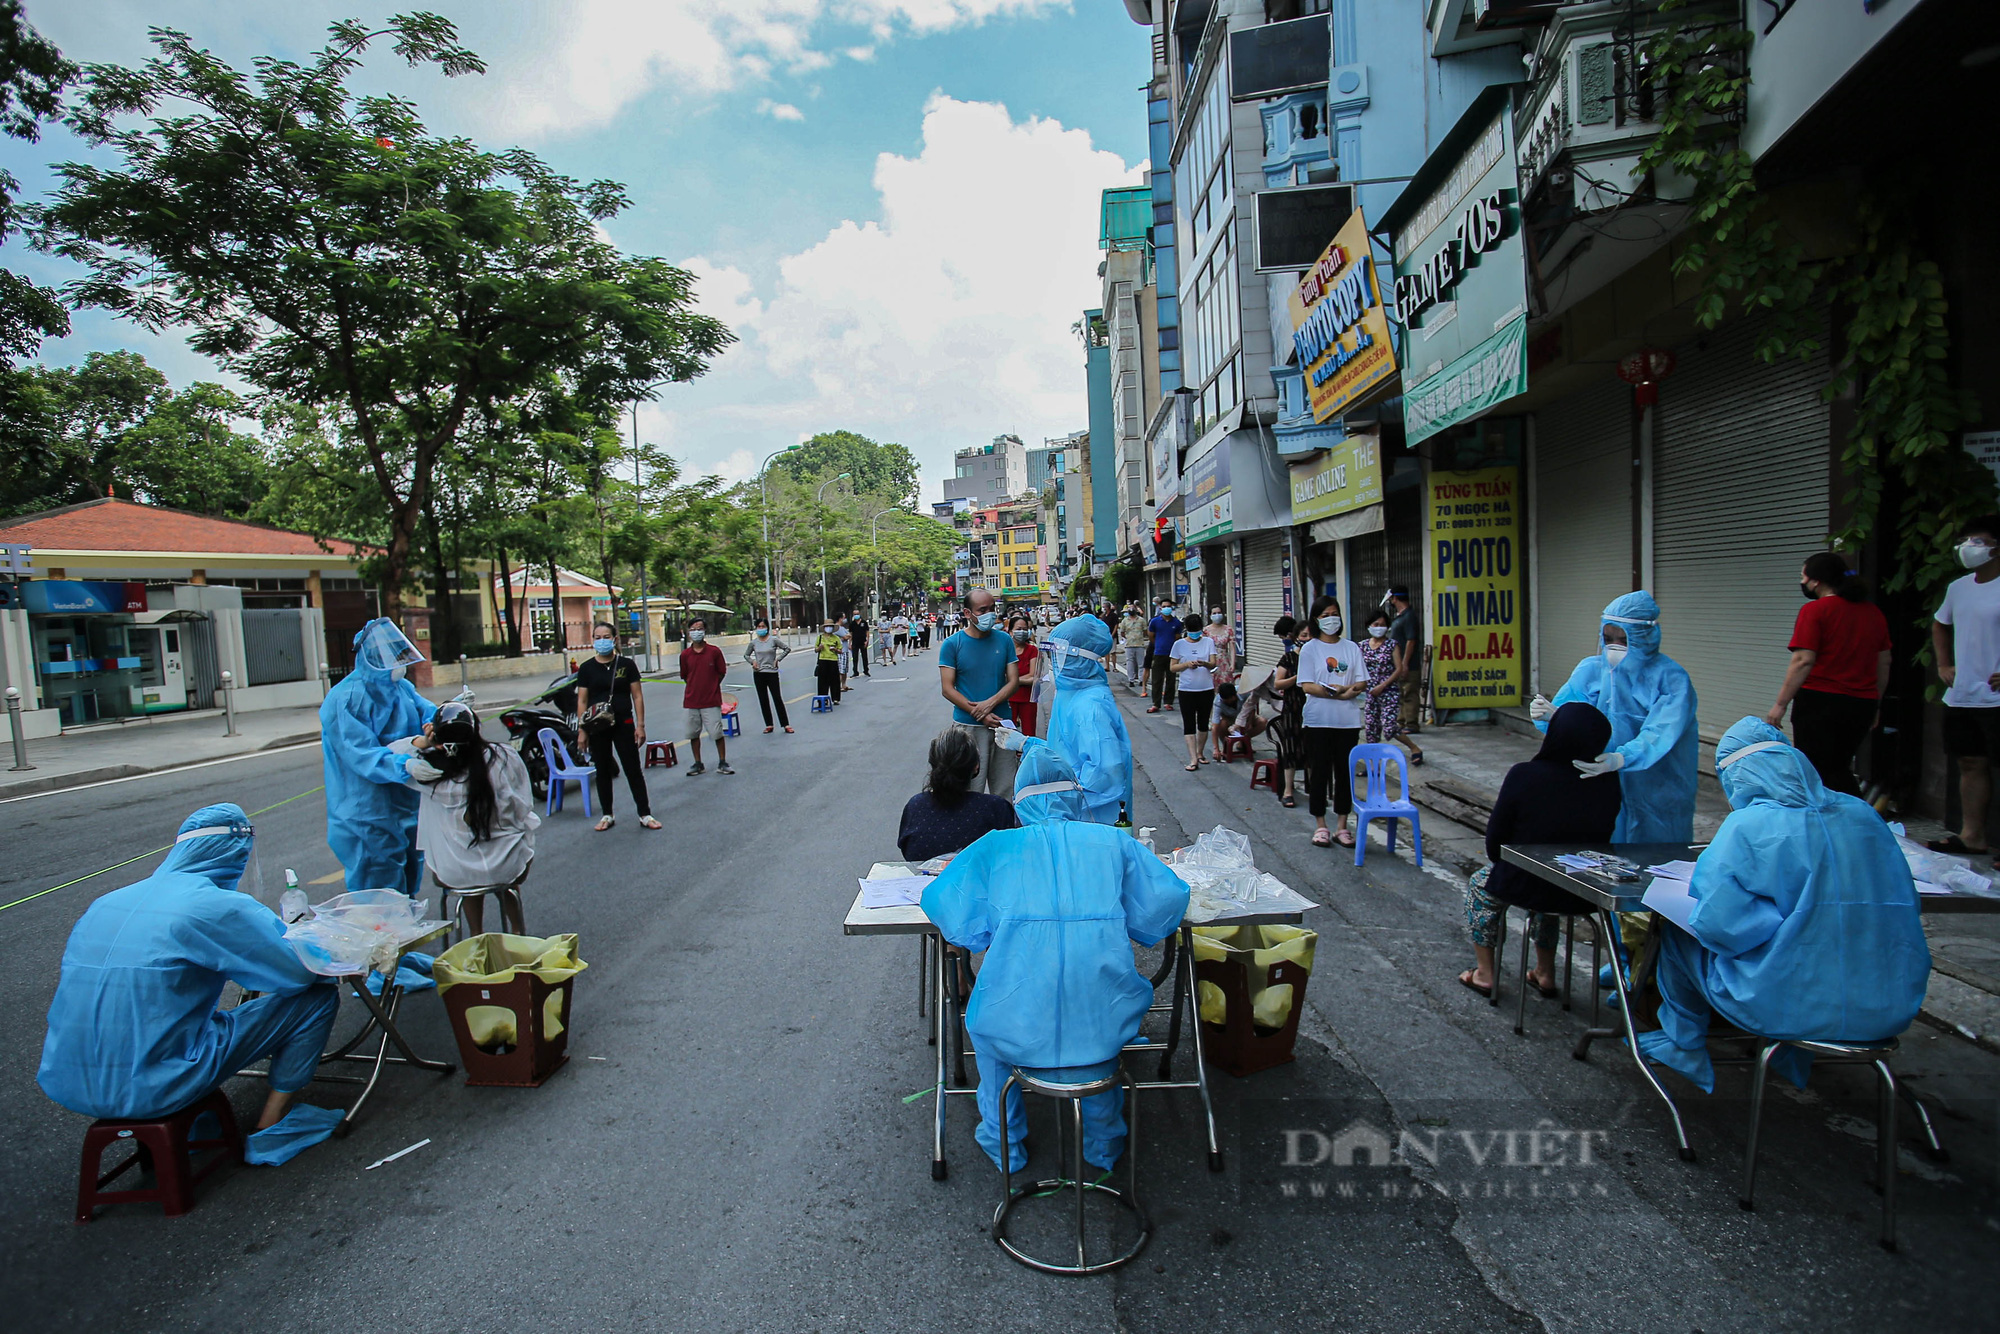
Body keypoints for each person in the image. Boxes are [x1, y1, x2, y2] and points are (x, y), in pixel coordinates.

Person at [921, 739, 1188, 1172]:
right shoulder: (1113, 844)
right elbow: (1162, 911)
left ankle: (1004, 1143)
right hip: (1104, 1023)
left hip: (1015, 1023)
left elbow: (949, 911)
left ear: (1020, 799)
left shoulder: (993, 848)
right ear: (1075, 794)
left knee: (989, 1036)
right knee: (1100, 1041)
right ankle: (1103, 1147)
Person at [1639, 718, 1931, 1093]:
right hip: (1891, 1005)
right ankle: (1793, 1058)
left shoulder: (1747, 825)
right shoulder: (1863, 815)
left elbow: (1719, 926)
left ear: (1738, 776)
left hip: (1785, 1005)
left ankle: (1684, 1044)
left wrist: (1768, 917)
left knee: (1677, 934)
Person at [38, 804, 342, 1138]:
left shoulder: (105, 902)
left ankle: (197, 1128)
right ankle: (273, 1123)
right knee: (317, 997)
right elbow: (296, 975)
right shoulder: (217, 906)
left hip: (67, 1079)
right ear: (238, 855)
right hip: (155, 1082)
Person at [1456, 703, 1620, 997]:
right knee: (1550, 897)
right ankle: (1545, 971)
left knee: (1481, 887)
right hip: (1581, 889)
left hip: (1525, 881)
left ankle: (1484, 973)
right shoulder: (1607, 780)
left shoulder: (1525, 775)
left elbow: (1495, 843)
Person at [1530, 591, 1699, 844]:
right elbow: (1574, 715)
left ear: (1645, 636)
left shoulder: (1671, 679)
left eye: (1624, 639)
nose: (1614, 647)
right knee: (1602, 862)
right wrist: (1553, 716)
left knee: (1658, 860)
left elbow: (1661, 732)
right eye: (1608, 638)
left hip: (1657, 788)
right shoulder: (1591, 669)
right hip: (1598, 782)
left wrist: (1621, 758)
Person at [398, 701, 538, 935]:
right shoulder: (503, 757)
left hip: (455, 871)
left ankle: (477, 935)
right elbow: (524, 806)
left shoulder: (430, 774)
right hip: (508, 865)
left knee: (467, 873)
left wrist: (424, 743)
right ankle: (517, 929)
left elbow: (390, 751)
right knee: (509, 860)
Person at [319, 617, 435, 894]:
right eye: (389, 655)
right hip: (366, 812)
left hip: (405, 803)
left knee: (408, 882)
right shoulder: (345, 699)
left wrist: (445, 716)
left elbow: (426, 712)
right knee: (378, 897)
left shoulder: (401, 689)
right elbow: (361, 754)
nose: (397, 662)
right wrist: (404, 764)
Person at [1766, 551, 1890, 798]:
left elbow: (1803, 660)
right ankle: (1851, 820)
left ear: (1816, 580)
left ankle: (1842, 823)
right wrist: (1876, 704)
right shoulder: (1872, 613)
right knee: (1839, 766)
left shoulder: (1815, 611)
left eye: (1803, 577)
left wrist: (1780, 704)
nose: (1802, 583)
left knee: (1816, 771)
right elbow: (1884, 662)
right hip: (1860, 704)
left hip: (1820, 702)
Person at [1928, 517, 2000, 859]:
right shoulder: (1958, 588)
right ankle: (1972, 835)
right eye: (1966, 540)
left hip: (1996, 696)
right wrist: (1944, 665)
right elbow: (1940, 625)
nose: (1968, 547)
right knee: (1970, 763)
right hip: (1963, 695)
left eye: (1979, 541)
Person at [1038, 612, 1133, 824]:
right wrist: (1029, 744)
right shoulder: (1070, 694)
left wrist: (1062, 798)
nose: (1052, 663)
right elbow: (1063, 746)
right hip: (1075, 816)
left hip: (1092, 819)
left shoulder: (1090, 707)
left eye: (1058, 655)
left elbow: (1106, 773)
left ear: (1078, 657)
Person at [1297, 595, 1367, 848]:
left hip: (1347, 722)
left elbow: (1361, 681)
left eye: (1334, 614)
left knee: (1344, 775)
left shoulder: (1351, 647)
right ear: (1316, 620)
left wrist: (1348, 691)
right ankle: (1321, 825)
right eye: (1325, 615)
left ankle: (1341, 825)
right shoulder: (1310, 649)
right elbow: (1307, 685)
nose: (1330, 619)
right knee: (1319, 773)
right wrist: (1335, 692)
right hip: (1317, 721)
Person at [575, 623, 659, 830]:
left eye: (606, 636)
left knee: (632, 768)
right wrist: (582, 730)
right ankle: (607, 814)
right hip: (597, 726)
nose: (601, 640)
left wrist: (640, 725)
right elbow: (582, 702)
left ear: (614, 639)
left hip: (623, 722)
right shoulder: (586, 668)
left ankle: (645, 813)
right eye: (597, 637)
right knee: (602, 769)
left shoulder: (626, 665)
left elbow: (637, 696)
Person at [937, 588, 1021, 796]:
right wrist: (981, 714)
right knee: (970, 790)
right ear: (967, 613)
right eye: (982, 610)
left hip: (1002, 725)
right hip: (968, 728)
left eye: (992, 608)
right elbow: (947, 689)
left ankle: (1003, 827)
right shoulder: (952, 645)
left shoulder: (1004, 640)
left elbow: (1014, 681)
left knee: (1006, 789)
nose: (990, 614)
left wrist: (989, 704)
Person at [897, 727, 1019, 861]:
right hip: (979, 881)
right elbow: (1010, 854)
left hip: (924, 880)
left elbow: (906, 848)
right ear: (975, 766)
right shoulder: (996, 808)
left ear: (934, 764)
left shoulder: (916, 806)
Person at [1359, 605, 1418, 763]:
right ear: (1369, 625)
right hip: (1371, 693)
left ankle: (1414, 748)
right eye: (1376, 625)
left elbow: (1398, 669)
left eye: (1382, 625)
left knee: (1389, 725)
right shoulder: (1362, 646)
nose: (1379, 628)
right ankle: (1373, 764)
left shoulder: (1392, 645)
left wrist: (1383, 686)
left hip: (1388, 691)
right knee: (1371, 729)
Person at [679, 617, 731, 777]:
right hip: (692, 701)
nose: (696, 632)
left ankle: (722, 761)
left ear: (705, 631)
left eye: (699, 629)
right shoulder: (685, 655)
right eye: (693, 629)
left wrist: (712, 686)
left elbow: (721, 672)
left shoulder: (714, 652)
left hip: (711, 701)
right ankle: (698, 762)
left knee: (716, 733)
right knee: (693, 734)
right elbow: (685, 676)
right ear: (688, 633)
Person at [1170, 612, 1219, 770]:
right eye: (1192, 630)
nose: (1195, 633)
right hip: (1186, 689)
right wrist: (1186, 664)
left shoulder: (1208, 642)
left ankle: (1200, 752)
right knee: (1189, 723)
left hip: (1206, 688)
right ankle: (1193, 759)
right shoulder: (1179, 644)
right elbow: (1173, 667)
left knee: (1203, 723)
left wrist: (1204, 663)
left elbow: (1213, 664)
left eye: (1197, 629)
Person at [1384, 586, 1424, 747]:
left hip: (1409, 664)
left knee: (1409, 692)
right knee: (1400, 693)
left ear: (1395, 598)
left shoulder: (1409, 617)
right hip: (1398, 663)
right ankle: (1401, 722)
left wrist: (1405, 663)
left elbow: (1411, 641)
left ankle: (1411, 723)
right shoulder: (1400, 617)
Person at [744, 617, 794, 734]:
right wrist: (753, 662)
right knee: (763, 699)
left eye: (763, 626)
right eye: (759, 627)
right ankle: (769, 724)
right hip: (759, 673)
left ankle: (785, 724)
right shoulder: (754, 643)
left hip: (772, 673)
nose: (761, 629)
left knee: (777, 698)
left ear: (767, 628)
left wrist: (778, 659)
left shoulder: (773, 640)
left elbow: (787, 649)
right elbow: (746, 655)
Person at [1005, 613, 1040, 738]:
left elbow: (1033, 677)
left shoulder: (1032, 650)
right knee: (1008, 734)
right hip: (1007, 698)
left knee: (1029, 734)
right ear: (1010, 632)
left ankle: (1029, 756)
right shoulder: (1005, 650)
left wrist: (1011, 680)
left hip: (1028, 698)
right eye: (1018, 629)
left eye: (1025, 629)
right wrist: (1022, 680)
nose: (1022, 632)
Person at [1146, 600, 1182, 713]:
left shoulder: (1176, 623)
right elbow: (1151, 636)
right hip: (1158, 653)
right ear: (1160, 608)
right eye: (1164, 606)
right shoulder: (1155, 621)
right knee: (1157, 679)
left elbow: (1177, 637)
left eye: (1168, 606)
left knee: (1171, 679)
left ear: (1172, 608)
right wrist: (1157, 645)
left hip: (1172, 654)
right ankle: (1156, 703)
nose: (1166, 608)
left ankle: (1168, 702)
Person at [1206, 605, 1238, 693]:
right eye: (1214, 613)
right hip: (1211, 661)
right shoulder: (1206, 630)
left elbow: (1232, 648)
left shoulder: (1228, 629)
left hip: (1224, 661)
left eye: (1219, 613)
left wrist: (1232, 663)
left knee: (1226, 687)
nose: (1217, 615)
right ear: (1210, 615)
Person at [1118, 604, 1149, 692]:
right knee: (1130, 662)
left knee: (1141, 663)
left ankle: (1141, 679)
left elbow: (1145, 631)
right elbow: (1122, 632)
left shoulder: (1141, 620)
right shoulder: (1124, 621)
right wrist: (1128, 637)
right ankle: (1131, 679)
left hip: (1139, 644)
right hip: (1129, 644)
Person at [814, 619, 844, 705]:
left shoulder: (836, 638)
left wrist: (835, 649)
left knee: (834, 680)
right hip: (823, 660)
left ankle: (835, 698)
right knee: (822, 681)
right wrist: (819, 648)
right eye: (827, 627)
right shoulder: (820, 637)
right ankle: (823, 699)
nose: (828, 628)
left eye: (830, 627)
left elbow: (840, 651)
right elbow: (816, 650)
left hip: (833, 660)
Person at [849, 609, 871, 678]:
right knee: (855, 657)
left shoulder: (864, 622)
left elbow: (867, 632)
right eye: (854, 614)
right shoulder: (852, 624)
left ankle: (866, 670)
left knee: (864, 657)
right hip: (855, 642)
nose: (856, 616)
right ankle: (855, 671)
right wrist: (850, 643)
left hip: (863, 641)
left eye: (857, 614)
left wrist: (867, 640)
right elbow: (851, 633)